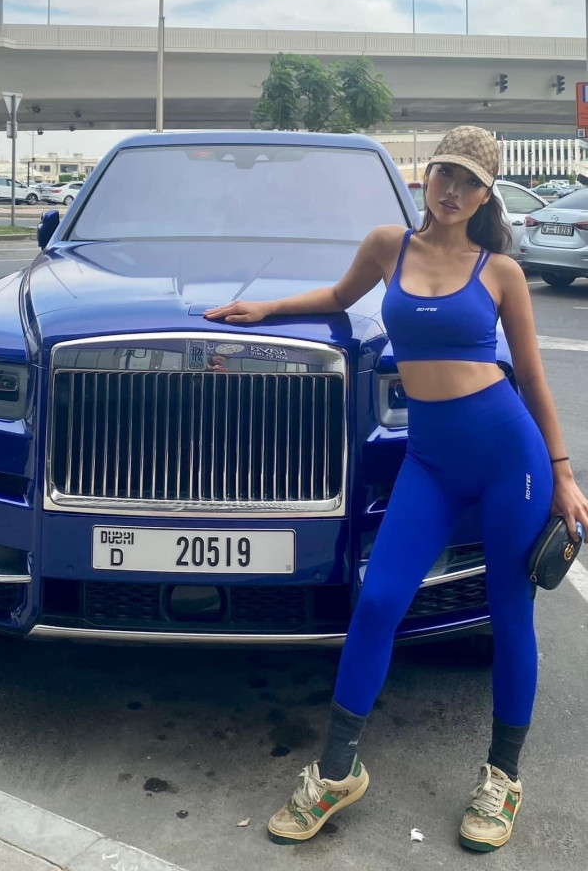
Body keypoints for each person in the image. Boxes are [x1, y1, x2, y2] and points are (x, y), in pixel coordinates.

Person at [204, 126, 588, 852]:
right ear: (426, 175)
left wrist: (564, 475)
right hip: (431, 463)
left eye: (470, 183)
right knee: (379, 600)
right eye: (445, 174)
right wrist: (266, 310)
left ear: (486, 196)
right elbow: (337, 295)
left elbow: (533, 378)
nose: (453, 191)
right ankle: (336, 771)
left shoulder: (501, 271)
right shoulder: (389, 246)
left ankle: (502, 778)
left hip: (510, 458)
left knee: (509, 612)